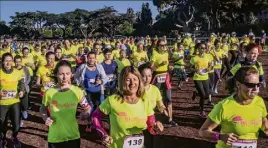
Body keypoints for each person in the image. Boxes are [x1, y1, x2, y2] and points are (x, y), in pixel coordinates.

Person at [92, 66, 164, 148]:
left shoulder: (144, 101)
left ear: (139, 81)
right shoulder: (112, 101)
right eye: (128, 79)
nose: (132, 83)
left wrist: (156, 127)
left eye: (135, 79)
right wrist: (104, 135)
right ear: (122, 82)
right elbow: (95, 116)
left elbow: (151, 128)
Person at [199, 67, 268, 148]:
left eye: (258, 84)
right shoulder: (224, 106)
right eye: (250, 85)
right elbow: (203, 132)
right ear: (238, 84)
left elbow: (264, 122)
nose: (256, 89)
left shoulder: (259, 102)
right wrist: (220, 137)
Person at [40, 60, 91, 148]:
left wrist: (86, 113)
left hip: (73, 136)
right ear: (56, 74)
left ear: (71, 74)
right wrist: (46, 118)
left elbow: (87, 108)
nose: (64, 77)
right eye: (61, 74)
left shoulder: (77, 91)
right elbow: (42, 109)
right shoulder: (49, 93)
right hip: (55, 137)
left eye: (67, 74)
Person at [74, 51, 108, 132]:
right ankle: (89, 123)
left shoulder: (99, 67)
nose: (91, 60)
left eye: (93, 58)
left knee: (97, 107)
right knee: (90, 107)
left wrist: (101, 81)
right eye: (90, 58)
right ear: (87, 58)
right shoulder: (83, 67)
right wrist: (80, 83)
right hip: (87, 91)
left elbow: (105, 78)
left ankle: (96, 122)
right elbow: (76, 76)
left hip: (98, 91)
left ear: (95, 59)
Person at [150, 39, 177, 127]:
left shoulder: (166, 53)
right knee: (153, 98)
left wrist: (170, 67)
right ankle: (151, 119)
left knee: (168, 98)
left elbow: (168, 64)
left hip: (166, 76)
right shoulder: (154, 54)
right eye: (161, 45)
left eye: (164, 45)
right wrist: (160, 65)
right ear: (157, 46)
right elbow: (151, 67)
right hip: (157, 76)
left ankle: (170, 119)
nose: (163, 47)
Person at [0, 53, 25, 148]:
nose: (8, 63)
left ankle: (14, 137)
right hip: (2, 102)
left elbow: (21, 83)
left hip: (15, 101)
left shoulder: (17, 72)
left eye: (10, 61)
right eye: (6, 60)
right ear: (2, 61)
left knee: (16, 124)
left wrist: (22, 91)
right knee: (2, 123)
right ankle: (3, 139)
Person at [190, 43, 212, 118]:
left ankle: (196, 93)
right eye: (201, 48)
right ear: (198, 49)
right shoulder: (194, 58)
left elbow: (210, 65)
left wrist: (209, 68)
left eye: (204, 48)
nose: (202, 49)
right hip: (197, 78)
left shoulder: (208, 56)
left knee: (207, 95)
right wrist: (195, 70)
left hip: (205, 77)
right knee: (203, 95)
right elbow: (190, 68)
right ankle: (202, 111)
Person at [13, 55, 31, 127]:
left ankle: (24, 110)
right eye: (16, 62)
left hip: (24, 89)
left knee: (24, 105)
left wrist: (24, 85)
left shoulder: (25, 69)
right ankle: (19, 121)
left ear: (21, 62)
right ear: (14, 62)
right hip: (15, 90)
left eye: (19, 62)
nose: (18, 63)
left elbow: (28, 78)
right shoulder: (13, 69)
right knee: (17, 107)